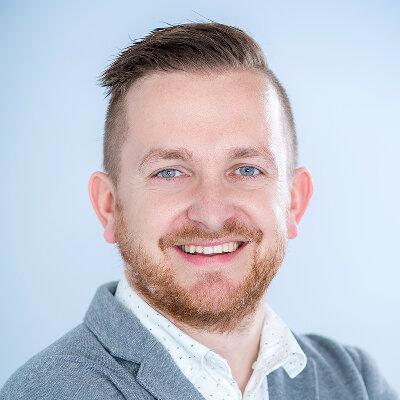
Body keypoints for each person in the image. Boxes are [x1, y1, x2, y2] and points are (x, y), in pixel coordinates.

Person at [1, 22, 398, 400]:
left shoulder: (355, 381)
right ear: (110, 207)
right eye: (169, 172)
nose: (211, 213)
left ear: (294, 201)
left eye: (246, 169)